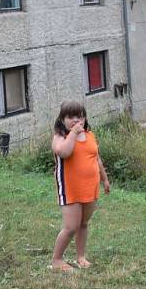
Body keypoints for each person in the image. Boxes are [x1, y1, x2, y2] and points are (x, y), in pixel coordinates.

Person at [50, 101, 110, 272]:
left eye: (80, 116)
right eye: (70, 117)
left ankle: (81, 257)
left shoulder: (90, 135)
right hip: (70, 189)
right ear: (62, 119)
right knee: (71, 227)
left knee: (83, 223)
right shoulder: (59, 137)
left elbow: (96, 158)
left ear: (85, 118)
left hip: (90, 187)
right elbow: (64, 152)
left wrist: (104, 179)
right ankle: (56, 260)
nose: (76, 120)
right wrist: (74, 134)